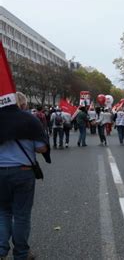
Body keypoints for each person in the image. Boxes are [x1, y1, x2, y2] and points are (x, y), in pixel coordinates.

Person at [0, 91, 50, 259]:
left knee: (3, 212)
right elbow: (42, 148)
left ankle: (1, 250)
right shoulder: (29, 120)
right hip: (22, 171)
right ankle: (21, 253)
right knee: (21, 214)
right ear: (21, 104)